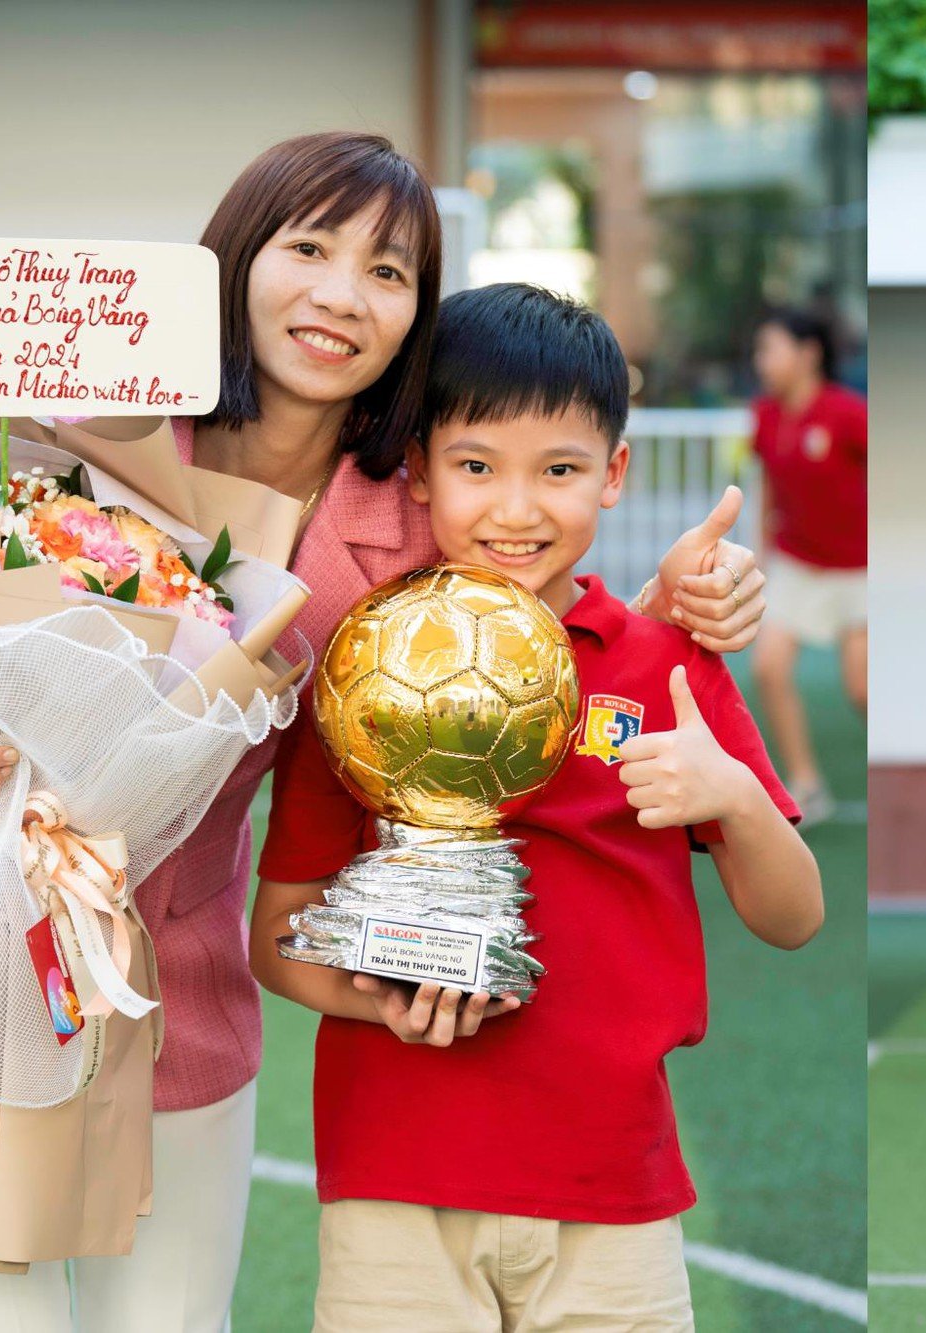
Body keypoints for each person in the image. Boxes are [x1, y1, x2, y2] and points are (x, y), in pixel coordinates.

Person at [0, 134, 769, 1332]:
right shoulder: (86, 425)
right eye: (306, 247)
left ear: (416, 312)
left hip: (180, 972)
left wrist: (679, 596)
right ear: (237, 260)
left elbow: (526, 584)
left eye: (386, 270)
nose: (338, 294)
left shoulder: (414, 516)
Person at [250, 283, 823, 1331]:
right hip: (396, 1186)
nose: (516, 510)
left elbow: (793, 917)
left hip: (614, 1194)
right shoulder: (361, 673)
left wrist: (734, 795)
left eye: (557, 470)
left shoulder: (663, 667)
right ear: (417, 470)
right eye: (475, 466)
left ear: (612, 474)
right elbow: (275, 937)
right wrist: (378, 994)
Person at [748, 307, 867, 823]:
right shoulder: (766, 415)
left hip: (859, 569)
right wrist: (761, 558)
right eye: (760, 351)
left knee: (863, 689)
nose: (762, 361)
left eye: (770, 348)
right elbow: (768, 487)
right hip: (797, 564)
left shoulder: (848, 413)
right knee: (768, 667)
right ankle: (806, 784)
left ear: (808, 353)